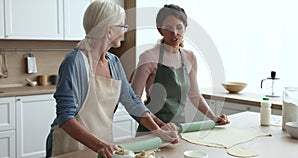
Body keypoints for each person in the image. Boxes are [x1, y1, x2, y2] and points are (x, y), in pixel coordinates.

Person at [45, 1, 179, 157]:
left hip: (102, 145)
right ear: (109, 30)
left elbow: (132, 102)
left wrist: (160, 130)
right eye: (122, 27)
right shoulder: (75, 61)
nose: (124, 32)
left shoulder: (114, 62)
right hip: (70, 146)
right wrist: (100, 145)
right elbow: (66, 118)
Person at [131, 4, 230, 135]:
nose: (175, 33)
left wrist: (213, 117)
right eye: (168, 28)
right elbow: (134, 99)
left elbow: (195, 95)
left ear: (185, 28)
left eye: (179, 27)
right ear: (160, 30)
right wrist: (158, 125)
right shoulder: (149, 57)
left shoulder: (190, 57)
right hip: (151, 131)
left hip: (178, 130)